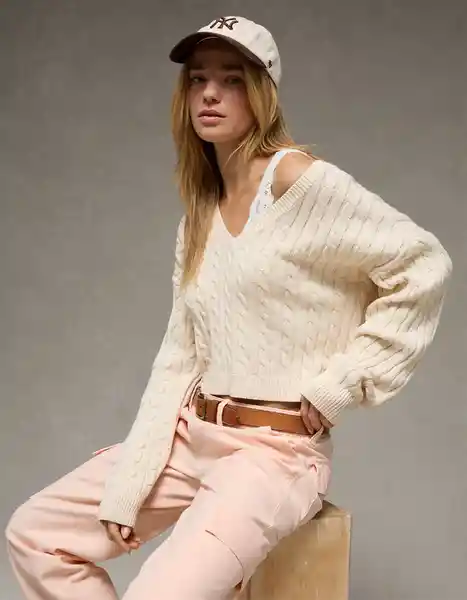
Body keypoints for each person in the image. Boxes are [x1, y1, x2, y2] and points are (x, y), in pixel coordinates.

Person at [6, 15, 452, 600]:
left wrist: (344, 383)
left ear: (262, 93)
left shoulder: (298, 181)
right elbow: (179, 356)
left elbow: (423, 263)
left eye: (231, 79)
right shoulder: (199, 215)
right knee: (35, 535)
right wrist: (131, 480)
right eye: (198, 79)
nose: (210, 94)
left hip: (273, 457)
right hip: (192, 439)